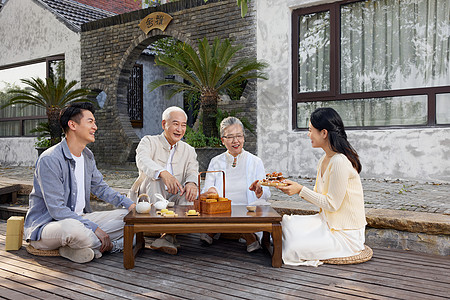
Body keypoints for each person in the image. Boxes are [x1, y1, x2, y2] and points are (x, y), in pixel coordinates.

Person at [24, 102, 136, 264]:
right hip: (49, 226)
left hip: (81, 219)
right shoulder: (50, 159)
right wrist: (95, 228)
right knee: (73, 229)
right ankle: (114, 246)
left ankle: (77, 249)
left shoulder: (87, 156)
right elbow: (57, 211)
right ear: (73, 125)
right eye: (90, 121)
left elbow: (101, 188)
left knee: (128, 218)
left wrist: (130, 205)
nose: (95, 127)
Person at [277, 107, 366, 266]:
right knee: (286, 224)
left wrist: (300, 190)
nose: (308, 134)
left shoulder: (339, 161)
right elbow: (321, 197)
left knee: (292, 248)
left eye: (311, 130)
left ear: (324, 133)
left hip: (344, 235)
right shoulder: (325, 160)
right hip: (326, 222)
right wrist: (294, 187)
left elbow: (332, 204)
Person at [129, 106, 199, 255]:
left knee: (189, 191)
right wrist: (163, 173)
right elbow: (142, 160)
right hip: (148, 198)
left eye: (183, 125)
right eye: (175, 124)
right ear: (164, 124)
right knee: (156, 179)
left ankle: (167, 235)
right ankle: (163, 231)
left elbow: (192, 171)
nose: (179, 129)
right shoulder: (148, 141)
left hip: (174, 197)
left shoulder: (189, 150)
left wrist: (192, 183)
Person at [201, 116, 271, 252]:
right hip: (221, 210)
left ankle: (216, 231)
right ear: (223, 140)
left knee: (244, 213)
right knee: (214, 207)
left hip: (247, 211)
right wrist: (211, 191)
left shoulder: (255, 161)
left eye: (239, 136)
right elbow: (207, 187)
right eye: (230, 137)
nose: (235, 141)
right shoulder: (215, 161)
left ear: (244, 137)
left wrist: (260, 192)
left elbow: (266, 193)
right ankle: (247, 235)